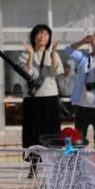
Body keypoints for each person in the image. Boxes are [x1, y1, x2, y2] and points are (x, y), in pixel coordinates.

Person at [20, 23, 63, 152]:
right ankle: (33, 162)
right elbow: (27, 74)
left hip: (50, 97)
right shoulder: (24, 55)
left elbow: (55, 72)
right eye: (39, 33)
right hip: (32, 98)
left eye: (45, 34)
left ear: (49, 38)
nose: (42, 36)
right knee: (32, 132)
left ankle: (53, 160)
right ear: (34, 36)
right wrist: (31, 55)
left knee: (51, 132)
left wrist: (53, 53)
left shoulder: (53, 54)